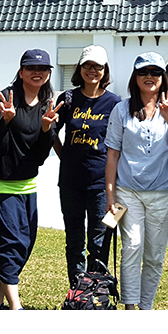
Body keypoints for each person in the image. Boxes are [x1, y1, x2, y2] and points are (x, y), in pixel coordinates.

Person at [0, 48, 61, 310]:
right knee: (10, 244)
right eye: (32, 68)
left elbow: (41, 155)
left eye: (43, 69)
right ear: (21, 72)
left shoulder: (47, 105)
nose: (38, 73)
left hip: (27, 184)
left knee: (21, 245)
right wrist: (5, 121)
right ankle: (16, 308)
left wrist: (47, 129)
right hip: (0, 182)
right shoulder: (6, 99)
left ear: (48, 74)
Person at [105, 52, 168, 310]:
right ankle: (130, 307)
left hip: (162, 192)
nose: (149, 77)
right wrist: (110, 195)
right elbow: (113, 154)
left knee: (154, 254)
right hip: (127, 191)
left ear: (163, 78)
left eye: (155, 72)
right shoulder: (121, 109)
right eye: (143, 72)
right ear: (135, 76)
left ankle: (146, 307)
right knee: (132, 247)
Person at [53, 44, 121, 285]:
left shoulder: (114, 103)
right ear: (79, 68)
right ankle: (77, 288)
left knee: (99, 240)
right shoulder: (68, 99)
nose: (92, 71)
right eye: (88, 65)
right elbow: (52, 131)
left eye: (98, 66)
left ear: (105, 71)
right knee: (74, 239)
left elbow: (118, 143)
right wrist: (65, 156)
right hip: (70, 182)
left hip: (101, 184)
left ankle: (95, 289)